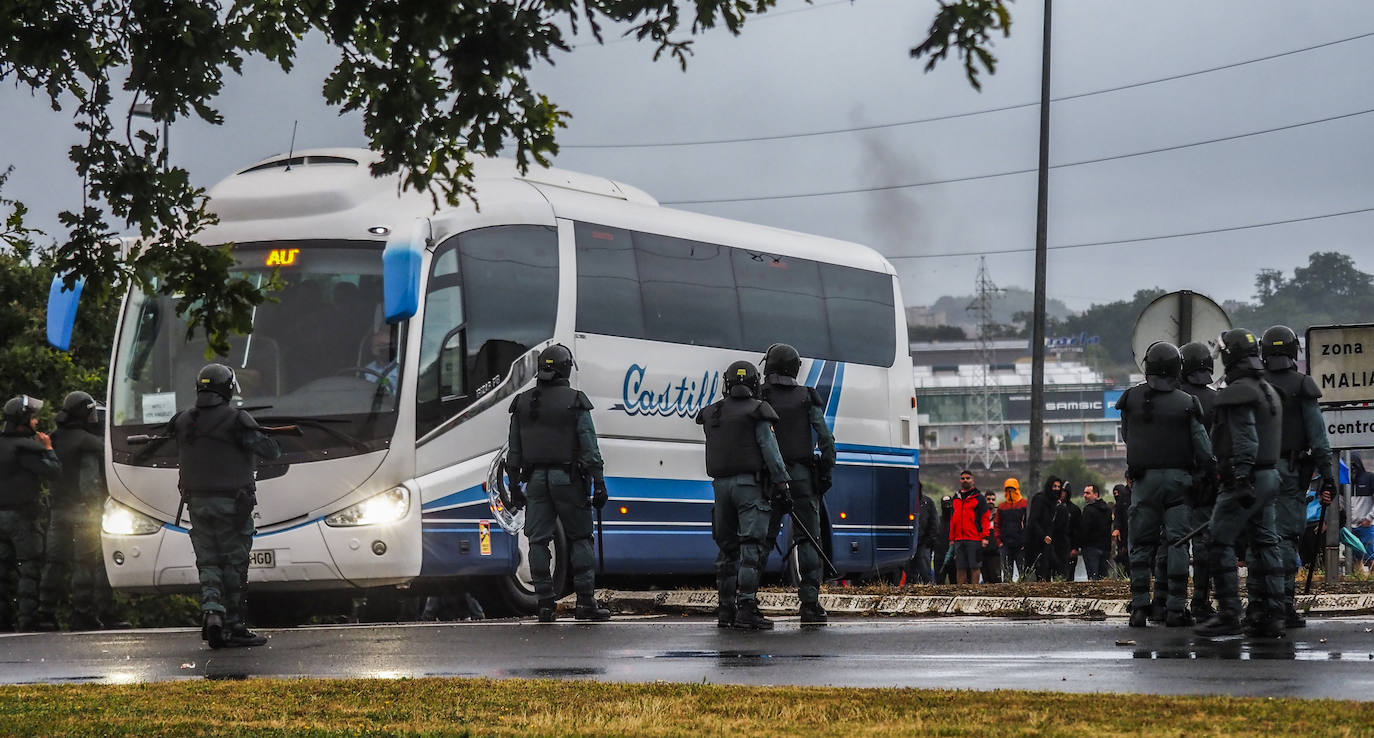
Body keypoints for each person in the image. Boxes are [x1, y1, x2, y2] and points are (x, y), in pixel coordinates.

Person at [169, 364, 281, 648]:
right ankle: (234, 625)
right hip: (233, 505)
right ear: (228, 389)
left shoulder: (183, 420)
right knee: (234, 563)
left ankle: (212, 613)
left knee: (208, 562)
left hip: (197, 504)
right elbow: (270, 451)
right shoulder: (237, 420)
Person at [506, 344, 610, 623]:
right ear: (566, 368)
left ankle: (545, 605)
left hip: (536, 481)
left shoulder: (522, 403)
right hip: (568, 480)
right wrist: (599, 482)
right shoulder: (575, 401)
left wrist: (515, 486)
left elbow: (513, 452)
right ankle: (586, 603)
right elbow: (589, 446)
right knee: (579, 538)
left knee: (538, 541)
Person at [1195, 329, 1286, 638]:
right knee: (1265, 543)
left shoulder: (1239, 392)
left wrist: (1241, 478)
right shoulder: (1268, 390)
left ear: (1231, 356)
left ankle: (1230, 614)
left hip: (1246, 478)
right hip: (1270, 476)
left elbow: (1246, 440)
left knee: (1218, 541)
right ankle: (1273, 612)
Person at [1116, 341, 1213, 628]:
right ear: (1176, 369)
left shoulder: (1130, 399)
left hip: (1143, 481)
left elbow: (1126, 435)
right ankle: (1175, 609)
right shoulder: (1187, 403)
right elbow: (1203, 448)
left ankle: (1139, 608)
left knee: (1142, 546)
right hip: (1179, 483)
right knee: (1178, 544)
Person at [696, 359, 790, 630]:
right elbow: (770, 452)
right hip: (750, 488)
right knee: (751, 548)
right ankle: (746, 607)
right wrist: (783, 484)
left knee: (726, 550)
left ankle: (726, 609)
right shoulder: (759, 411)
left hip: (720, 488)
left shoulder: (712, 413)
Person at [754, 344, 836, 623]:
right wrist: (825, 472)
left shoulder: (761, 396)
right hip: (803, 477)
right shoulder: (807, 396)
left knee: (761, 540)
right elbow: (826, 439)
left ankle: (748, 600)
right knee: (809, 539)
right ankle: (810, 604)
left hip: (770, 480)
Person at [1261, 324, 1335, 629]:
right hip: (1290, 474)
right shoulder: (1303, 386)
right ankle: (1283, 607)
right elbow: (1318, 437)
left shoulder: (1253, 385)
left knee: (1261, 539)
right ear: (1294, 352)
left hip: (1256, 474)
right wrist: (1328, 477)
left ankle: (1259, 606)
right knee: (1287, 538)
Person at [35, 392, 115, 631]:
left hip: (58, 510)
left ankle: (44, 615)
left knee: (54, 563)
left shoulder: (54, 437)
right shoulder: (87, 441)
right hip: (83, 511)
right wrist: (95, 507)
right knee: (85, 563)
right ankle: (82, 615)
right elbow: (90, 479)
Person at [0, 395, 61, 632]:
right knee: (29, 567)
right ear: (24, 420)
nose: (36, 422)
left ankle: (3, 622)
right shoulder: (27, 448)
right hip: (22, 518)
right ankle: (28, 620)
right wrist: (49, 450)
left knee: (1, 571)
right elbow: (53, 472)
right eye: (33, 418)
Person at [1177, 340, 1221, 619]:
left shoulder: (1173, 399)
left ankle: (1169, 604)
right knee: (1204, 543)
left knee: (1172, 542)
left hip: (1177, 479)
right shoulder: (1218, 400)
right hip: (1209, 480)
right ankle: (1201, 601)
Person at [948, 470, 990, 584]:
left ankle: (974, 589)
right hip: (958, 539)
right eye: (963, 478)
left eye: (967, 478)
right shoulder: (956, 498)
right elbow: (953, 519)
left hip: (974, 538)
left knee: (974, 566)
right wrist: (951, 538)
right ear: (960, 480)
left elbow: (985, 518)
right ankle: (961, 591)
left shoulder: (979, 498)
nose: (965, 480)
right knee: (960, 567)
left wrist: (985, 536)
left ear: (973, 480)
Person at [1025, 477, 1065, 581]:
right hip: (1036, 540)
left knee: (1052, 565)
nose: (1056, 489)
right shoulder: (1040, 499)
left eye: (1058, 487)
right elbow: (1033, 520)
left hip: (1048, 540)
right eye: (1054, 486)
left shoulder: (1054, 503)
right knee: (1040, 567)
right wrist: (1043, 535)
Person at [1077, 484, 1113, 580]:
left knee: (1093, 578)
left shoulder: (1088, 510)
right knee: (1103, 578)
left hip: (1091, 548)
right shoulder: (1108, 510)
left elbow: (1084, 530)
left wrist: (1080, 544)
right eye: (1084, 493)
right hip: (1105, 548)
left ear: (1096, 494)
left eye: (1088, 493)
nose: (1085, 495)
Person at [997, 478, 1027, 582]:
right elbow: (997, 525)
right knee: (1007, 575)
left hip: (1021, 545)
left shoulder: (1024, 504)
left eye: (1012, 489)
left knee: (1024, 574)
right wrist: (999, 542)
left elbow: (1028, 524)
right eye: (1008, 489)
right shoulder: (1001, 507)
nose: (1010, 491)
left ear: (1017, 489)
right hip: (1005, 545)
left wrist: (1025, 541)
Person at [1351, 453, 1374, 575]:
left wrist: (1369, 518)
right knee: (1355, 557)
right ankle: (1357, 577)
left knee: (1370, 555)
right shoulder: (1344, 481)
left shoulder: (1369, 478)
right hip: (1351, 526)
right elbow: (1340, 503)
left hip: (1367, 525)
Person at [911, 487, 938, 584]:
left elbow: (934, 522)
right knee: (910, 573)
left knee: (925, 571)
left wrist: (929, 540)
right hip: (910, 543)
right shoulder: (907, 501)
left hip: (924, 543)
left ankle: (929, 588)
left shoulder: (927, 502)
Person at [362, 325, 400, 391]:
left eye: (390, 344)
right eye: (383, 345)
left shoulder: (401, 367)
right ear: (374, 350)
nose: (388, 348)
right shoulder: (366, 371)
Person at [1058, 483, 1082, 581]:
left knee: (1069, 575)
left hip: (1070, 546)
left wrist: (1075, 548)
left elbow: (1078, 530)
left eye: (1063, 492)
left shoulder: (1074, 509)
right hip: (1056, 547)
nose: (1061, 494)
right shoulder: (1053, 507)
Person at [1111, 482, 1131, 578]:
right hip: (1121, 540)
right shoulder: (1119, 506)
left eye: (1117, 493)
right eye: (1114, 494)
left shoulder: (1127, 501)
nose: (1116, 496)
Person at [981, 495, 1003, 584]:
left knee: (996, 575)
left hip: (995, 551)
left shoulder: (999, 514)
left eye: (993, 499)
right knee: (985, 577)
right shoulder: (980, 514)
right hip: (982, 550)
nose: (991, 501)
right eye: (988, 499)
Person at [934, 495, 954, 584]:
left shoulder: (956, 521)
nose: (947, 507)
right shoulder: (937, 521)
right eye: (945, 505)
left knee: (955, 582)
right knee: (939, 581)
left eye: (949, 505)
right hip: (939, 556)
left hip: (954, 556)